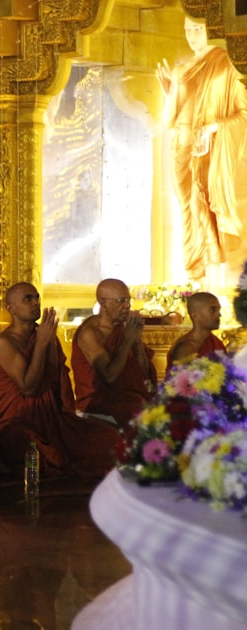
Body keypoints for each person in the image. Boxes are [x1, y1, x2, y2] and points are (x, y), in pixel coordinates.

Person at [0, 283, 121, 477]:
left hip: (50, 419)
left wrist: (47, 342)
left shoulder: (45, 335)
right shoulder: (3, 343)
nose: (35, 303)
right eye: (28, 299)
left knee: (109, 439)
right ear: (11, 309)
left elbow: (54, 381)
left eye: (36, 298)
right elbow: (28, 387)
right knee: (39, 452)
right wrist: (41, 343)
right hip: (15, 420)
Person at [156, 16, 247, 281]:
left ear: (210, 29)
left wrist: (214, 127)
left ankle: (213, 280)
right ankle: (195, 279)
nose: (192, 35)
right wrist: (169, 94)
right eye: (187, 29)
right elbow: (168, 120)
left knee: (202, 206)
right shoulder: (181, 69)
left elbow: (243, 112)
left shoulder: (225, 65)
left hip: (208, 147)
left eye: (197, 29)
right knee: (186, 210)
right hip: (181, 146)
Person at [71, 279, 157, 430]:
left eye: (128, 300)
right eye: (121, 301)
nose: (128, 305)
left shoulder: (124, 327)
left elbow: (145, 375)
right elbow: (109, 377)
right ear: (103, 303)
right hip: (98, 403)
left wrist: (136, 342)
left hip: (129, 399)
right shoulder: (90, 333)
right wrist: (127, 340)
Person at [166, 291, 226, 371]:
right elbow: (178, 381)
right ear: (195, 315)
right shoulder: (186, 347)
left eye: (218, 310)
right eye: (212, 310)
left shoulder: (217, 343)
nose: (219, 314)